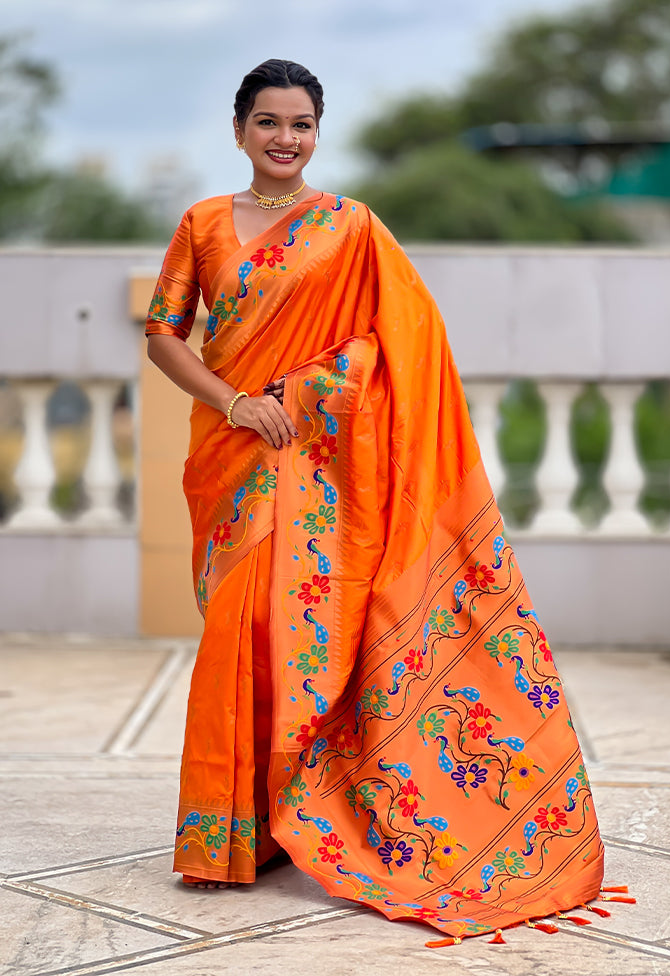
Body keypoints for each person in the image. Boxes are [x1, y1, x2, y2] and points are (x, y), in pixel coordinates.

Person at [145, 59, 607, 944]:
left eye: (303, 124)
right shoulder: (201, 224)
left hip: (320, 469)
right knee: (237, 629)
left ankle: (297, 812)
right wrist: (237, 403)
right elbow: (166, 337)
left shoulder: (351, 229)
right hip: (236, 457)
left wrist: (317, 387)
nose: (286, 138)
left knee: (300, 636)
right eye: (270, 122)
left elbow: (405, 341)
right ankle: (227, 832)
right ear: (238, 128)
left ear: (320, 133)